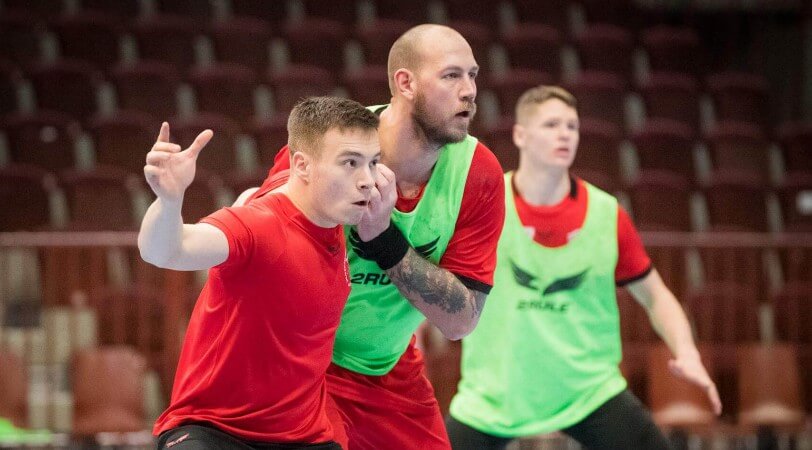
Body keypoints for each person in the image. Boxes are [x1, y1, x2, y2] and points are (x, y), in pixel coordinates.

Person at [237, 24, 505, 450]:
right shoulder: (331, 143)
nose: (469, 90)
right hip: (300, 364)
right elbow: (258, 239)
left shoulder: (479, 172)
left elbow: (461, 321)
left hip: (385, 367)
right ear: (406, 83)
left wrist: (383, 240)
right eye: (451, 75)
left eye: (472, 75)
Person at [446, 86, 722, 450]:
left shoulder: (606, 213)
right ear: (520, 135)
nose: (565, 134)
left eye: (572, 126)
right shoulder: (483, 203)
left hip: (589, 393)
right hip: (493, 397)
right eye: (551, 125)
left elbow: (656, 296)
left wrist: (686, 351)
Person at [139, 97, 393, 450]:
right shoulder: (260, 225)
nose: (367, 180)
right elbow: (164, 251)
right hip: (215, 431)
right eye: (350, 163)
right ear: (302, 166)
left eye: (373, 162)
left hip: (305, 438)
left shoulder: (336, 214)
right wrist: (168, 201)